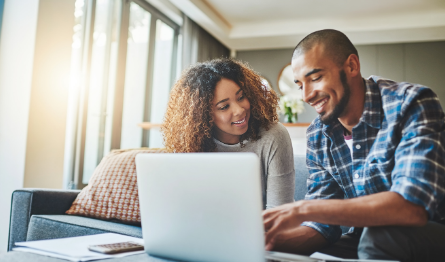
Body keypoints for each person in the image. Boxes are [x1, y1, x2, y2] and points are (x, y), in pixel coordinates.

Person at [262, 29, 445, 261]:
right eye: (300, 85)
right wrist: (266, 245)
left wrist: (301, 209)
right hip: (364, 238)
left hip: (428, 233)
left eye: (316, 78)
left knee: (379, 236)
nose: (306, 96)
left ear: (351, 66)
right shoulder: (318, 134)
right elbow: (323, 226)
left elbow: (412, 206)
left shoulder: (411, 103)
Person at [162, 58, 295, 209]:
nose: (239, 110)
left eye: (241, 97)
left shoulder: (274, 136)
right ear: (204, 114)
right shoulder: (191, 143)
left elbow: (280, 212)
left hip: (264, 229)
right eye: (224, 106)